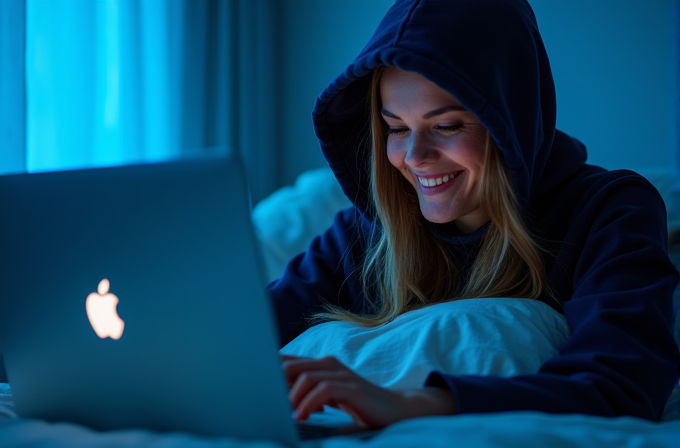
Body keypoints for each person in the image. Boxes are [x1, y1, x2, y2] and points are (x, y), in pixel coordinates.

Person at [269, 0, 680, 428]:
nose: (415, 158)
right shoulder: (367, 232)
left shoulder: (611, 211)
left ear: (510, 121)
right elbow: (241, 340)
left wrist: (409, 403)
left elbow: (620, 385)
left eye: (446, 126)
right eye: (396, 128)